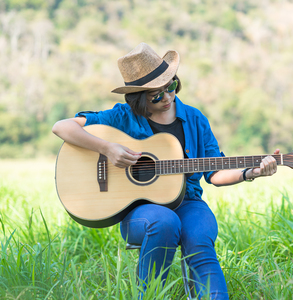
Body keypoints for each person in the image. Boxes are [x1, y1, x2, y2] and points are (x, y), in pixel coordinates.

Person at [52, 42, 279, 299]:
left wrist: (251, 173)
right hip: (139, 210)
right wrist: (107, 148)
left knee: (199, 239)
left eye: (171, 87)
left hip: (188, 202)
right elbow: (62, 127)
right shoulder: (121, 117)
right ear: (138, 99)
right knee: (164, 221)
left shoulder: (194, 118)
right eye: (156, 96)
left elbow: (215, 173)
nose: (168, 98)